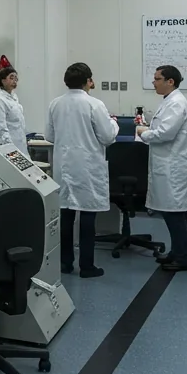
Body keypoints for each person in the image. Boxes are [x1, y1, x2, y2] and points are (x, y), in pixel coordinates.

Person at [46, 62, 117, 278]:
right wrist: (114, 123)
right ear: (88, 81)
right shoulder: (95, 105)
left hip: (64, 168)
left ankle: (65, 263)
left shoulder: (55, 104)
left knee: (65, 216)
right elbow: (107, 137)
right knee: (87, 217)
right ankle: (87, 266)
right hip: (87, 168)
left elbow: (50, 136)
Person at [137, 65, 187, 272]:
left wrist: (144, 132)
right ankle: (179, 252)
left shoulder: (176, 103)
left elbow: (164, 134)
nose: (153, 82)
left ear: (170, 81)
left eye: (157, 79)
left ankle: (185, 257)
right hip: (169, 165)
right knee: (176, 214)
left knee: (175, 214)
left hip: (173, 168)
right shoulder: (170, 102)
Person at [0, 67, 28, 155]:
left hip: (19, 144)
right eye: (11, 78)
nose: (15, 81)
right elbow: (0, 127)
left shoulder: (13, 98)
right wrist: (10, 147)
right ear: (3, 80)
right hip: (6, 146)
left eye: (16, 79)